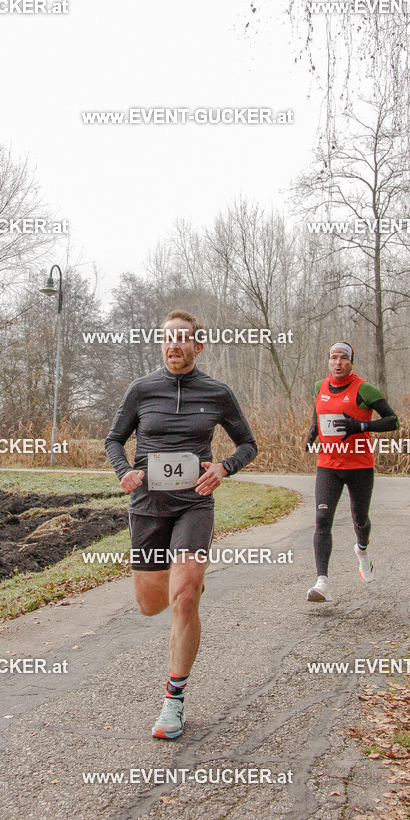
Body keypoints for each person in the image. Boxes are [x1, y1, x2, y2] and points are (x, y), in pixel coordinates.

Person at [105, 309, 257, 739]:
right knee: (150, 604)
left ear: (197, 345)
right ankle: (181, 581)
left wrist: (224, 467)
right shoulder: (141, 390)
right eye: (167, 338)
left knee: (185, 597)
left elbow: (248, 444)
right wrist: (124, 472)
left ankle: (174, 700)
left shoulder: (217, 392)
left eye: (182, 338)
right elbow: (114, 439)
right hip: (148, 506)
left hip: (195, 504)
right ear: (162, 345)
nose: (174, 344)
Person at [305, 342, 399, 602]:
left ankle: (362, 551)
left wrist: (361, 425)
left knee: (360, 519)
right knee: (322, 518)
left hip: (359, 466)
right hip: (328, 464)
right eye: (334, 358)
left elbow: (393, 420)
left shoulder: (364, 389)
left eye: (343, 358)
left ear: (351, 363)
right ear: (328, 361)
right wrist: (312, 433)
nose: (338, 363)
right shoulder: (320, 387)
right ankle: (322, 583)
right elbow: (318, 414)